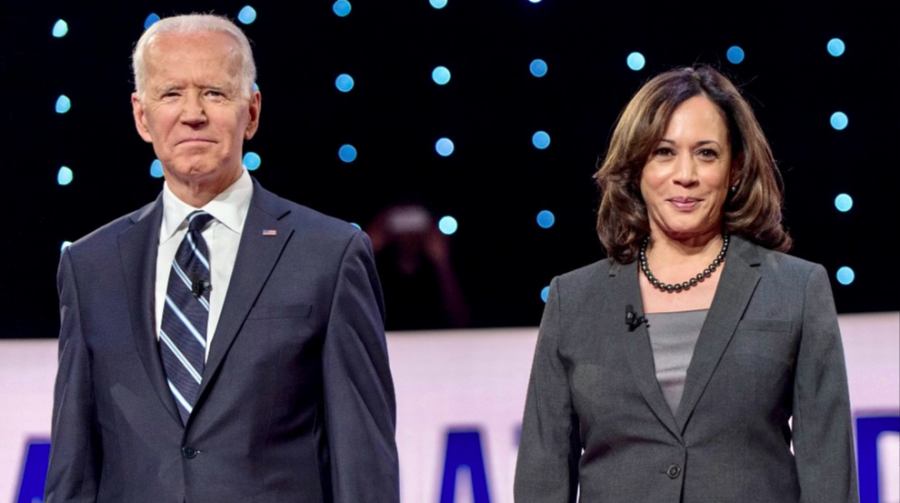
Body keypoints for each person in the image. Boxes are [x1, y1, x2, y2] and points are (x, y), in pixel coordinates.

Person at [44, 14, 399, 503]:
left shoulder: (329, 255)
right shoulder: (90, 266)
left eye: (214, 92)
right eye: (170, 94)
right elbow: (73, 465)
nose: (192, 113)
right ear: (141, 116)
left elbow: (364, 464)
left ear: (251, 112)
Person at [514, 66, 858, 502]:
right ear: (636, 164)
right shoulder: (574, 299)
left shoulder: (796, 289)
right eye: (663, 152)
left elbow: (830, 473)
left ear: (735, 168)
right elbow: (541, 480)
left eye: (707, 153)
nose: (685, 175)